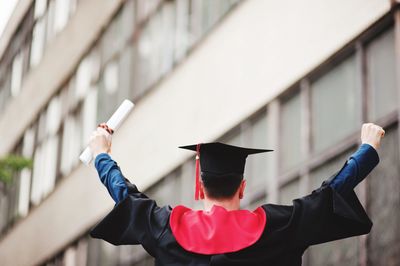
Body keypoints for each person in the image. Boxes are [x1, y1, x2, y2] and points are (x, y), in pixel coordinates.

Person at [89, 123, 385, 266]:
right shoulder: (278, 227)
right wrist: (367, 149)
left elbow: (125, 194)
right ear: (242, 187)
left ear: (201, 187)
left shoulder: (166, 228)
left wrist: (102, 153)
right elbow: (329, 194)